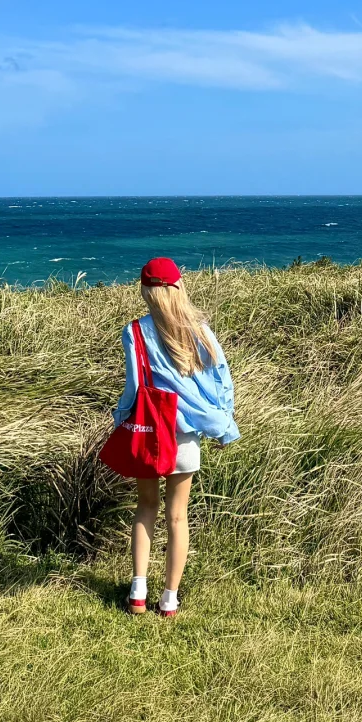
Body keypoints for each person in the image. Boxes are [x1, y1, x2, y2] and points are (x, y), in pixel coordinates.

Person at [112, 256, 239, 618]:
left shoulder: (134, 331)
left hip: (150, 431)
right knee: (177, 517)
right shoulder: (199, 329)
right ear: (178, 286)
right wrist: (223, 423)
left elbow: (134, 387)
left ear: (146, 291)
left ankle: (138, 591)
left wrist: (121, 419)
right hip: (184, 436)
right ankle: (169, 599)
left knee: (145, 508)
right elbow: (220, 380)